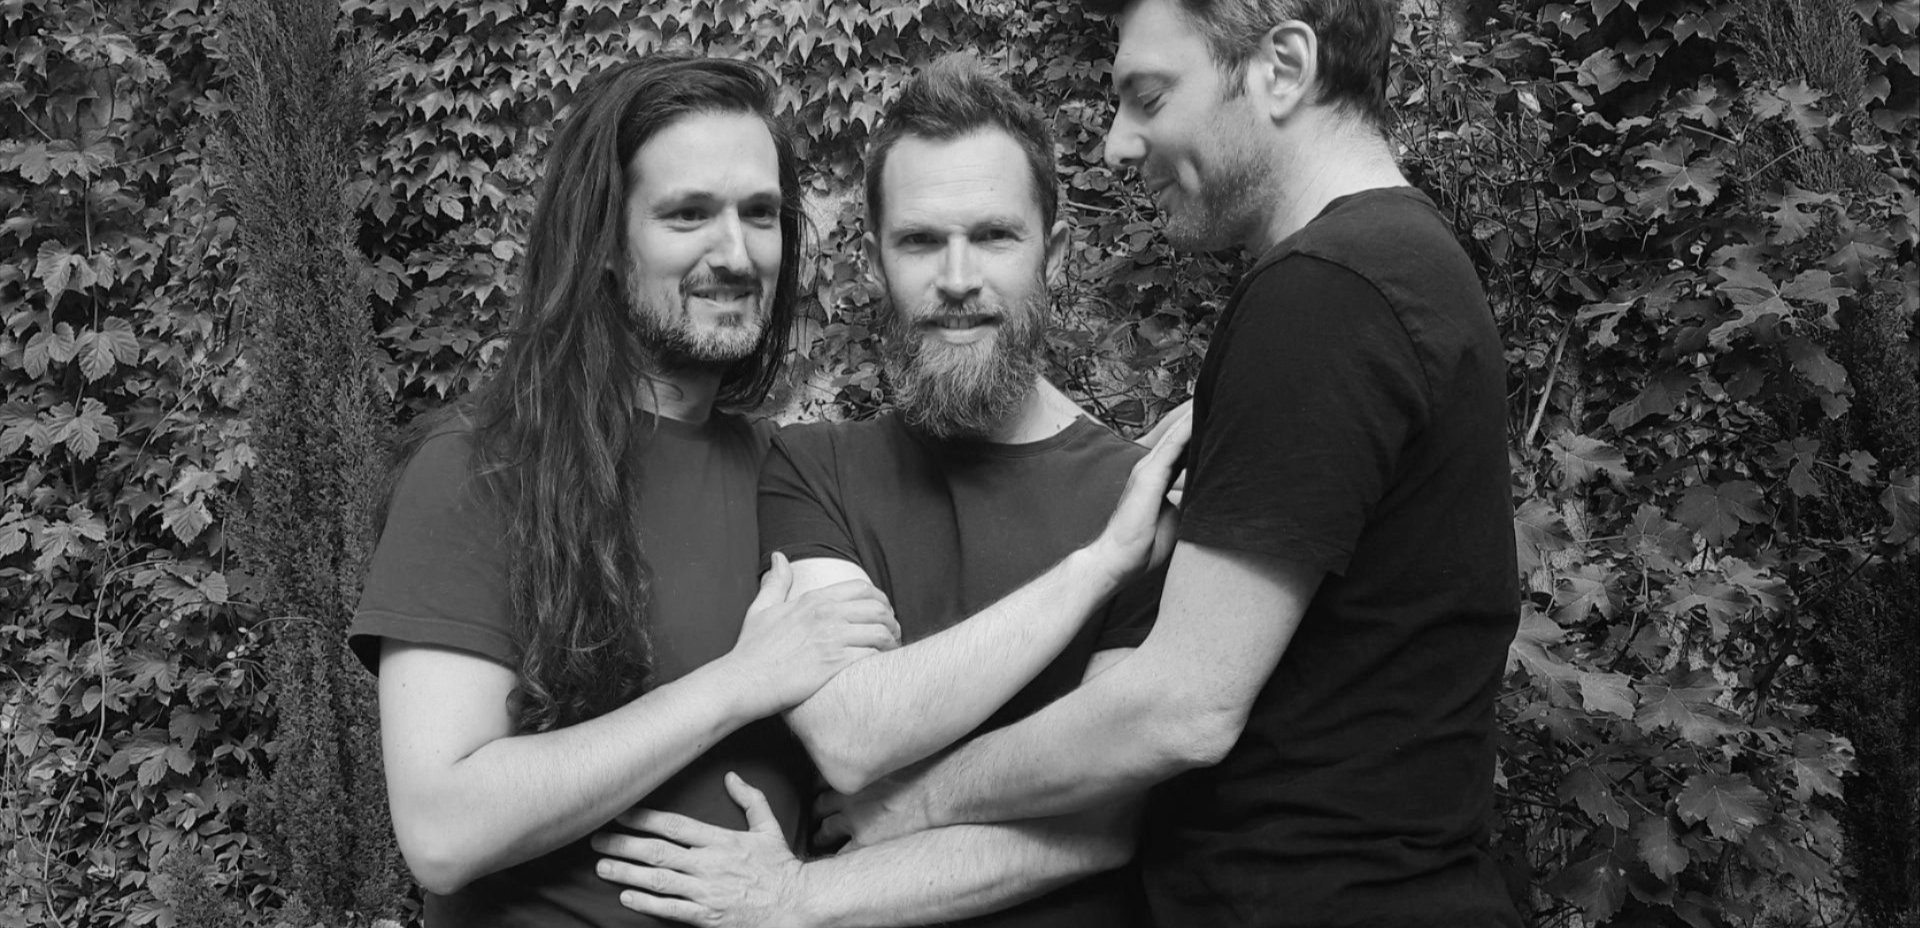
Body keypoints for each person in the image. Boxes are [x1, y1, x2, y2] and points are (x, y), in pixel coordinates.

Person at [741, 1, 1524, 925]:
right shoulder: (1378, 274)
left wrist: (915, 806)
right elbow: (851, 732)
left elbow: (1178, 711)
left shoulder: (1327, 294)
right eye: (918, 239)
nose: (1117, 142)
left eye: (1149, 96)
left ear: (1283, 68)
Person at [589, 54, 1190, 928]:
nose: (957, 278)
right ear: (875, 263)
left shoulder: (1138, 499)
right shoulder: (809, 467)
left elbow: (1102, 822)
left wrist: (823, 877)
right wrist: (1096, 569)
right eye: (919, 241)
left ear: (1054, 256)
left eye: (995, 236)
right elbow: (852, 735)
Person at [347, 55, 899, 928]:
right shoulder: (479, 467)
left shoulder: (789, 476)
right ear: (604, 242)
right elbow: (442, 831)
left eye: (760, 214)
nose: (736, 253)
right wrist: (741, 682)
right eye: (688, 214)